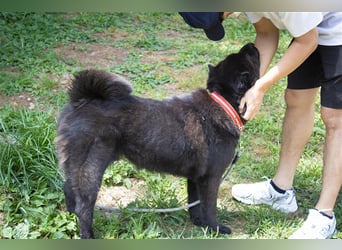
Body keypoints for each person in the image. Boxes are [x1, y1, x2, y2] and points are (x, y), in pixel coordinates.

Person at [179, 12, 342, 239]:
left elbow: (308, 41)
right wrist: (247, 88)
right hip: (312, 25)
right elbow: (266, 34)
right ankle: (281, 191)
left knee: (335, 118)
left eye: (221, 17)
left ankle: (325, 214)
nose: (228, 17)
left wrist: (261, 87)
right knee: (296, 98)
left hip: (335, 26)